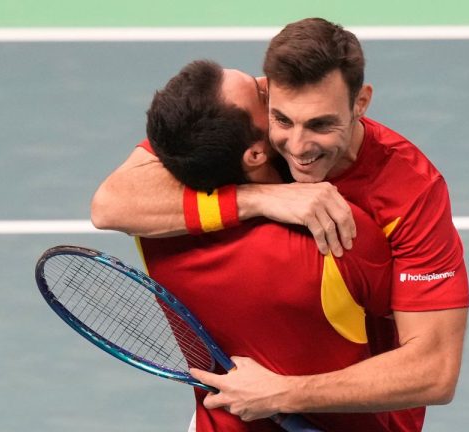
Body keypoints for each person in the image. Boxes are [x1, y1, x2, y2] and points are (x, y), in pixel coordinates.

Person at [92, 17, 469, 431]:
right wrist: (264, 198)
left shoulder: (410, 191)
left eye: (321, 124)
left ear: (361, 103)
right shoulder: (235, 132)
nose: (299, 147)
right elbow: (110, 203)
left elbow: (434, 370)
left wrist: (282, 392)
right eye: (283, 120)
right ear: (267, 94)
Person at [136, 58, 405, 431]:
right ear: (256, 153)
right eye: (262, 97)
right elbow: (417, 355)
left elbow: (112, 202)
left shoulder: (151, 230)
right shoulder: (341, 233)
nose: (270, 85)